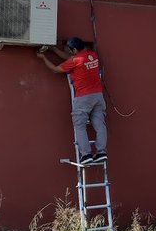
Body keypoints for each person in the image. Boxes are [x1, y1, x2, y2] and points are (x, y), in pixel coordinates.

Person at [36, 37, 107, 165]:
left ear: (74, 50)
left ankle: (86, 155)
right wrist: (54, 49)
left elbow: (55, 69)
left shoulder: (75, 60)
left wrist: (43, 58)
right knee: (100, 124)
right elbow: (70, 57)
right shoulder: (92, 55)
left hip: (84, 98)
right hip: (98, 96)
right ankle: (101, 152)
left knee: (80, 125)